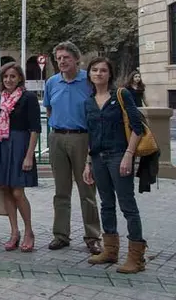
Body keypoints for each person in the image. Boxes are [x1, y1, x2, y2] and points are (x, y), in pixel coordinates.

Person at [84, 57, 147, 273]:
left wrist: (129, 155)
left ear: (109, 74)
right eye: (95, 70)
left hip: (119, 155)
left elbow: (137, 127)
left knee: (127, 205)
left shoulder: (121, 95)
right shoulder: (89, 101)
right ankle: (110, 250)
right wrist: (88, 163)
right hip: (98, 157)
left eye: (103, 70)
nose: (99, 74)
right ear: (90, 74)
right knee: (106, 204)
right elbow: (90, 134)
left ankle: (136, 257)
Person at [44, 41, 102, 255]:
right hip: (57, 137)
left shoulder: (88, 81)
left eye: (66, 57)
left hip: (82, 138)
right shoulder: (52, 82)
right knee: (61, 191)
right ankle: (61, 235)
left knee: (87, 190)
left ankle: (93, 236)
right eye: (59, 58)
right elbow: (49, 109)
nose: (62, 61)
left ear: (76, 59)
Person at [0, 63, 40, 253]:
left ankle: (29, 232)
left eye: (13, 76)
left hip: (20, 146)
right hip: (2, 146)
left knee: (18, 192)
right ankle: (14, 232)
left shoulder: (28, 98)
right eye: (5, 77)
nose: (9, 80)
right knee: (6, 190)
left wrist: (29, 156)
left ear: (20, 78)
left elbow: (35, 128)